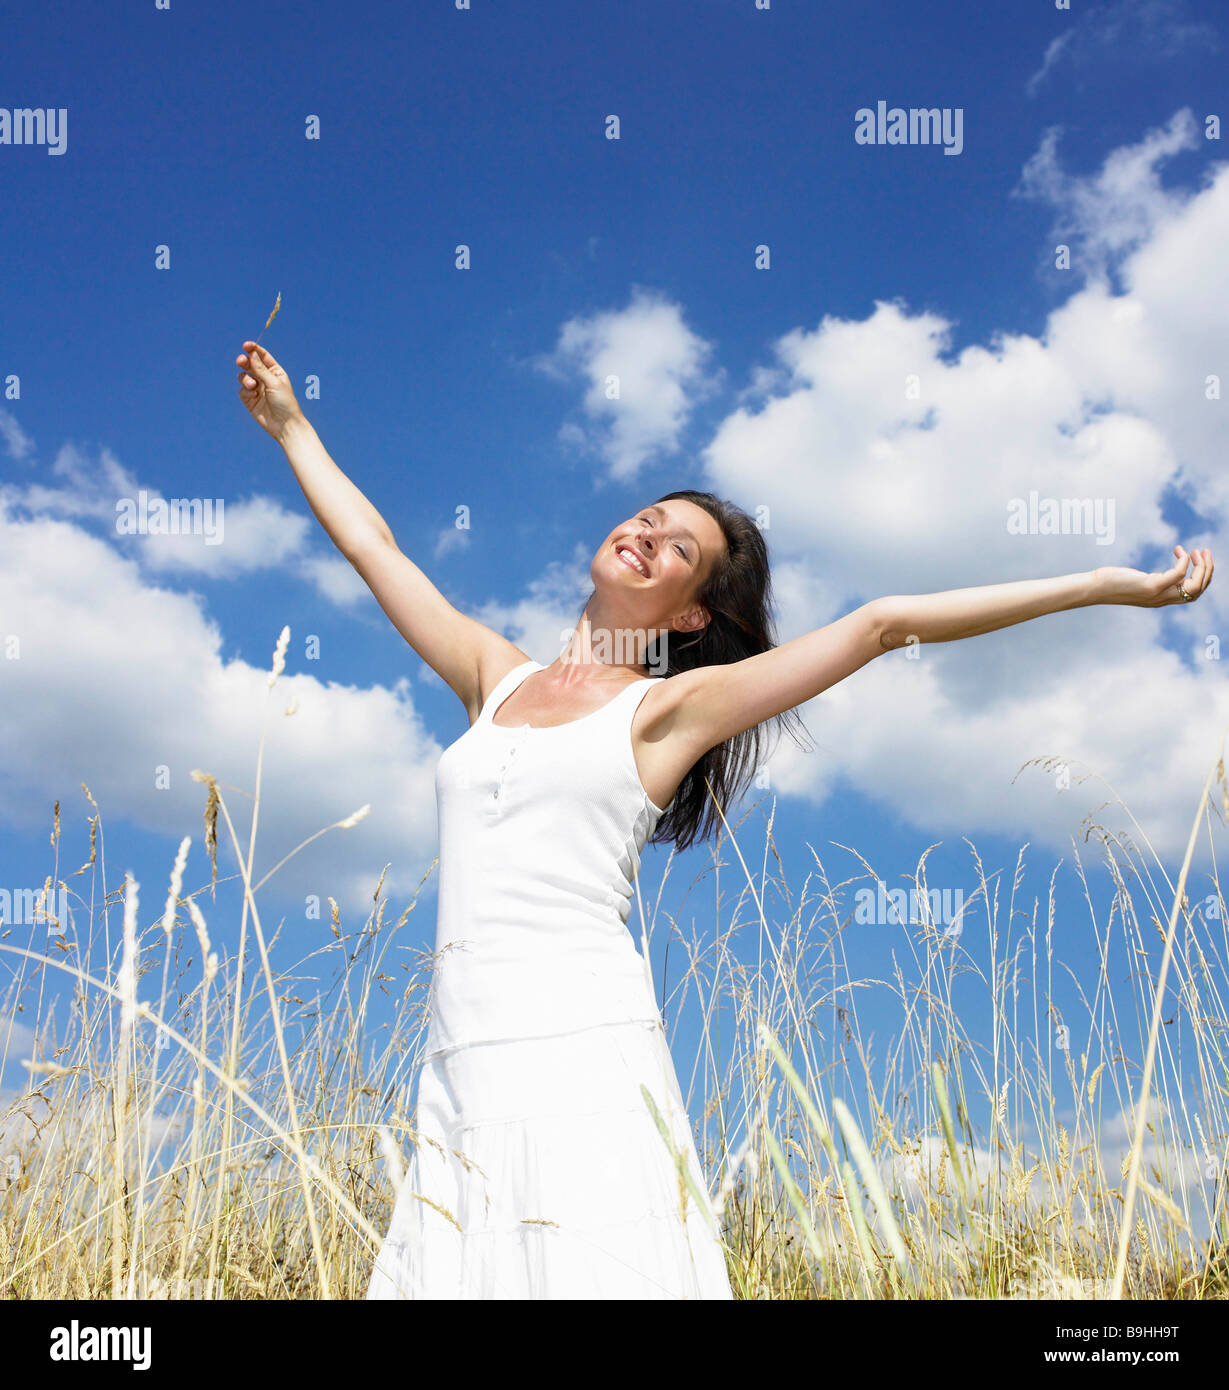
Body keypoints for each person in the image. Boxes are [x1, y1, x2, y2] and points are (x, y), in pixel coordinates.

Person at [236, 339, 1213, 1299]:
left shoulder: (662, 717)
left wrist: (1107, 585)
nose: (648, 533)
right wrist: (292, 427)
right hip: (459, 1048)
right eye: (649, 517)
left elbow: (879, 624)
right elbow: (375, 547)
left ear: (692, 616)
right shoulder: (492, 677)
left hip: (581, 1038)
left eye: (677, 549)